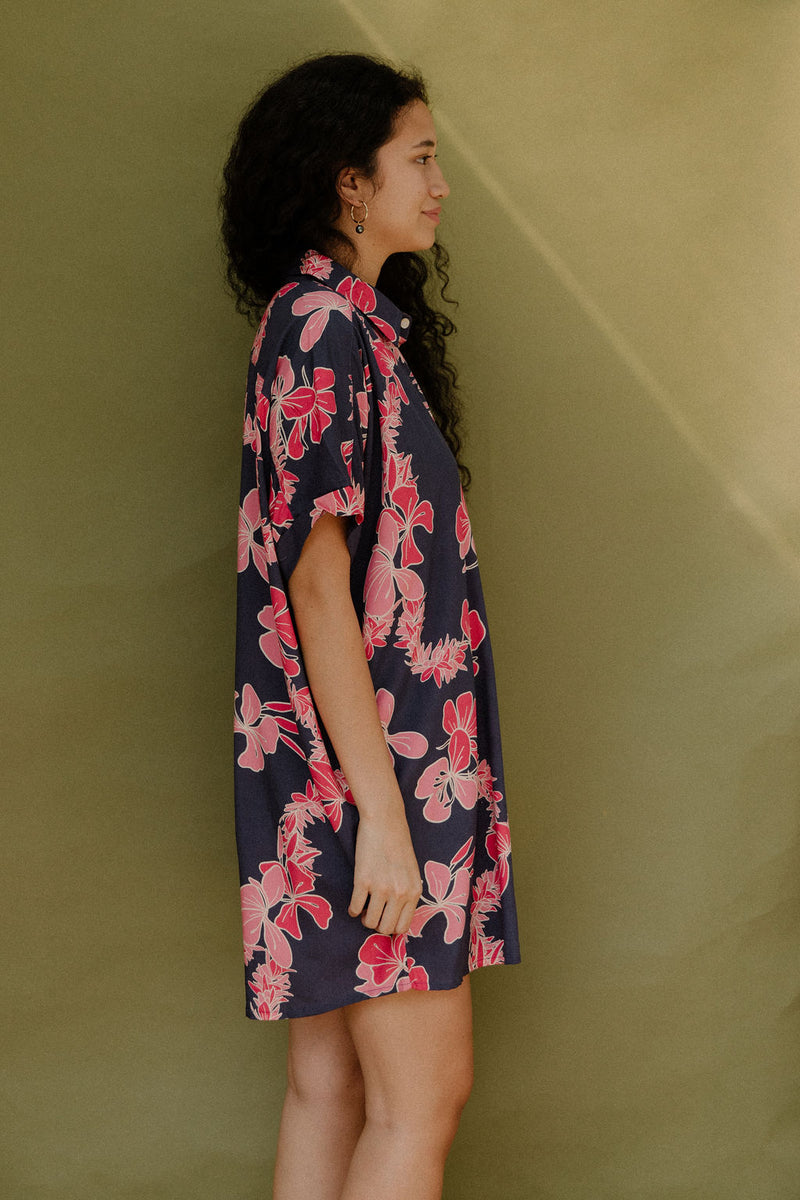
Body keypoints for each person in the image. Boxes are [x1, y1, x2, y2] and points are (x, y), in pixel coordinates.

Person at [221, 52, 520, 1200]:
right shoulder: (321, 332)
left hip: (352, 772)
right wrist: (383, 816)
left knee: (336, 1090)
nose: (440, 183)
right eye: (421, 158)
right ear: (350, 184)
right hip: (374, 776)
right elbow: (312, 585)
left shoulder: (346, 328)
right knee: (418, 1100)